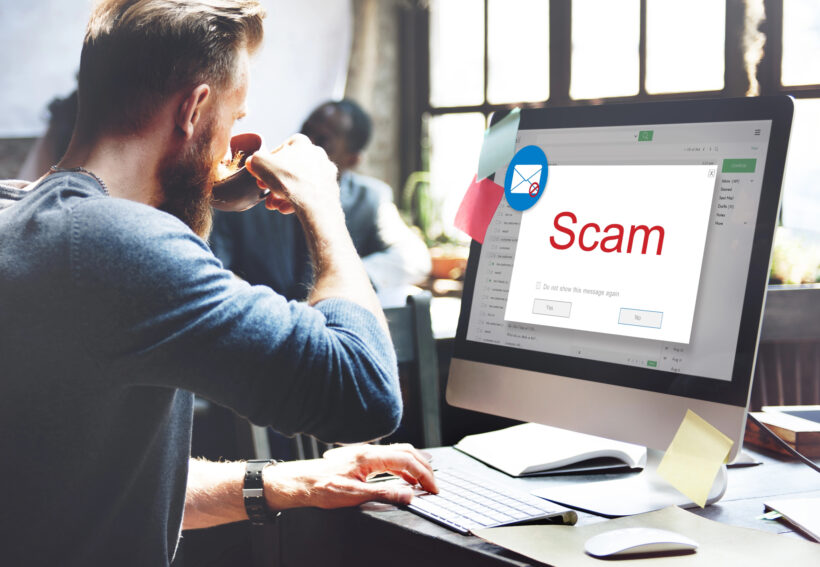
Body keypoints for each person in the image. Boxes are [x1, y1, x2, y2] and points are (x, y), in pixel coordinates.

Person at [0, 2, 436, 566]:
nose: (231, 142)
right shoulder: (120, 244)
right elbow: (366, 392)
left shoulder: (20, 215)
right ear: (195, 109)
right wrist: (323, 206)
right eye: (234, 118)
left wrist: (294, 481)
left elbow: (87, 486)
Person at [210, 99, 431, 306]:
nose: (307, 143)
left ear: (352, 159)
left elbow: (414, 258)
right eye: (306, 131)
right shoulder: (247, 194)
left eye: (323, 140)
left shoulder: (370, 199)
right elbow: (214, 268)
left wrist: (341, 282)